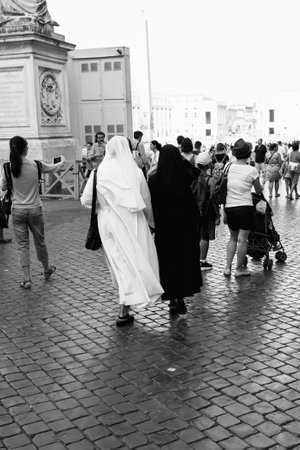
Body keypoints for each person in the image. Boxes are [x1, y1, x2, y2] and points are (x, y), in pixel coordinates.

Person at [81, 136, 163, 326]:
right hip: (132, 221)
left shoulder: (99, 172)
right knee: (132, 262)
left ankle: (124, 308)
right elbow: (146, 201)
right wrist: (152, 223)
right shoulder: (135, 172)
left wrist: (103, 206)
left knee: (119, 263)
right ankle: (125, 307)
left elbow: (86, 200)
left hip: (108, 222)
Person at [0, 136, 65, 289]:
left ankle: (27, 279)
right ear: (25, 148)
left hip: (18, 210)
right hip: (35, 209)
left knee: (23, 246)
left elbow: (3, 187)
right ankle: (46, 269)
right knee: (40, 242)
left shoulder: (8, 167)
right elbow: (54, 168)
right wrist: (62, 160)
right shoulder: (36, 165)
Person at [148, 144, 202, 315]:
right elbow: (196, 173)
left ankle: (172, 298)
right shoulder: (184, 175)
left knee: (168, 263)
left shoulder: (155, 179)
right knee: (184, 262)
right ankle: (181, 296)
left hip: (165, 229)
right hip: (185, 226)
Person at [224, 138, 263, 278]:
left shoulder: (227, 167)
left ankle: (227, 268)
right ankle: (239, 269)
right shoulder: (252, 170)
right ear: (248, 154)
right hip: (245, 207)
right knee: (242, 239)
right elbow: (258, 191)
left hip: (230, 207)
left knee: (232, 238)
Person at [195, 152, 220, 270]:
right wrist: (217, 215)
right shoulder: (210, 180)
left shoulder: (193, 177)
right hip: (206, 211)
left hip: (194, 209)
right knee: (204, 235)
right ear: (209, 164)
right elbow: (213, 199)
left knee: (196, 234)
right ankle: (202, 260)